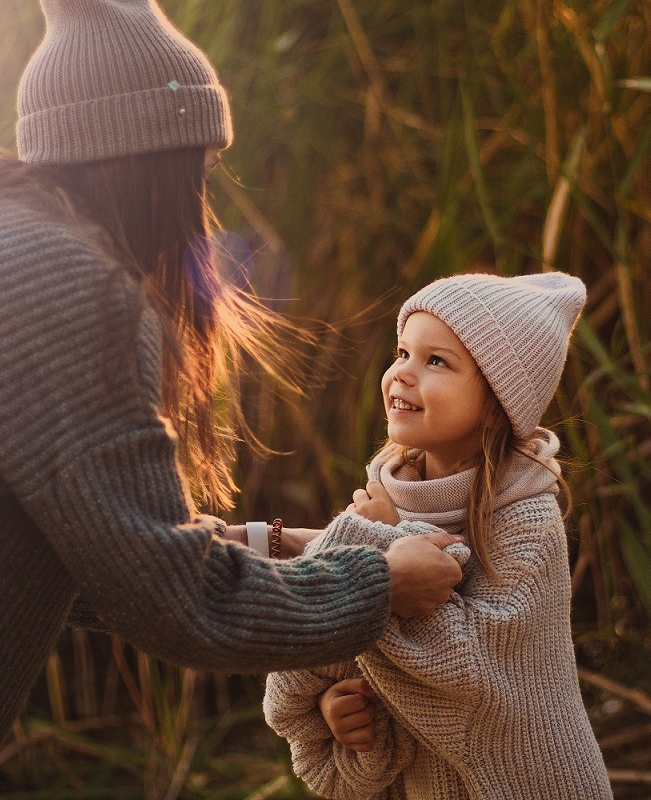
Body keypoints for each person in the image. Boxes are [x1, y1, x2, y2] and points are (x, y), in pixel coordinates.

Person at [0, 1, 463, 797]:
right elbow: (176, 602)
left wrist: (282, 544)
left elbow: (95, 555)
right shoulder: (68, 288)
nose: (200, 206)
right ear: (156, 165)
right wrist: (381, 586)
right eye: (198, 171)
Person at [263, 272, 614, 799]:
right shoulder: (386, 499)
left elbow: (476, 690)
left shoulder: (527, 527)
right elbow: (320, 653)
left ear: (498, 400)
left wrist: (376, 545)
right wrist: (342, 712)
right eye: (402, 351)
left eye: (436, 361)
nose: (401, 373)